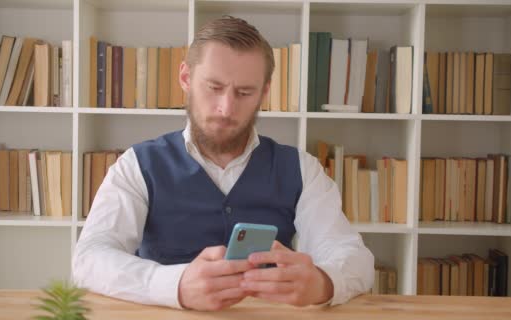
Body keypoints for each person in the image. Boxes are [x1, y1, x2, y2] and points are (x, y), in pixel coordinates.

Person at [72, 16, 374, 311]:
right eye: (214, 87)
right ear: (186, 78)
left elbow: (354, 257)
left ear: (264, 93)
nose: (226, 108)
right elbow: (89, 258)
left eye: (244, 92)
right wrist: (173, 284)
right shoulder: (137, 165)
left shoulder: (302, 169)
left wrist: (323, 282)